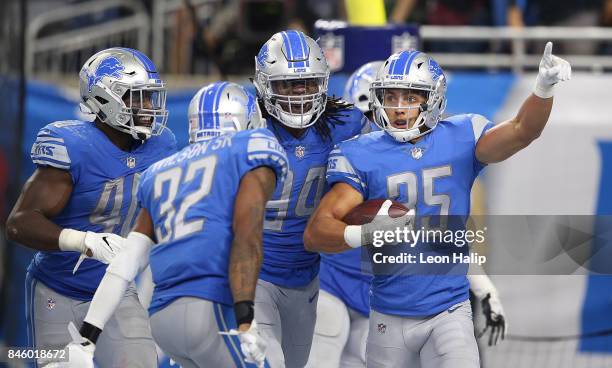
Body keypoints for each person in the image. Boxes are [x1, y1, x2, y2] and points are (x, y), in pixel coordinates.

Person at [304, 43, 570, 367]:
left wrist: (543, 89)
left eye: (410, 97)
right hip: (387, 311)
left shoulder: (460, 136)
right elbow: (317, 232)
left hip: (449, 309)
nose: (399, 108)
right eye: (390, 97)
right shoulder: (359, 154)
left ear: (432, 99)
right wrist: (367, 233)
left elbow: (521, 131)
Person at [59, 81, 288, 368]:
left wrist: (87, 338)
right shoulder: (250, 148)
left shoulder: (162, 170)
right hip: (213, 306)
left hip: (164, 317)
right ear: (245, 119)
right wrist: (245, 318)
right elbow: (247, 236)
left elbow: (126, 263)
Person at [6, 47, 176, 367]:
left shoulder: (161, 145)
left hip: (116, 287)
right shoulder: (73, 145)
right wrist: (85, 242)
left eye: (150, 97)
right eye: (136, 97)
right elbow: (19, 223)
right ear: (104, 99)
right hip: (57, 289)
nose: (149, 108)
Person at [252, 29, 370, 368]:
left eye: (308, 83)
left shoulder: (346, 123)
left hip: (307, 277)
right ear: (264, 84)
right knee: (266, 360)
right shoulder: (244, 125)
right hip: (252, 272)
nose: (299, 94)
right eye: (288, 84)